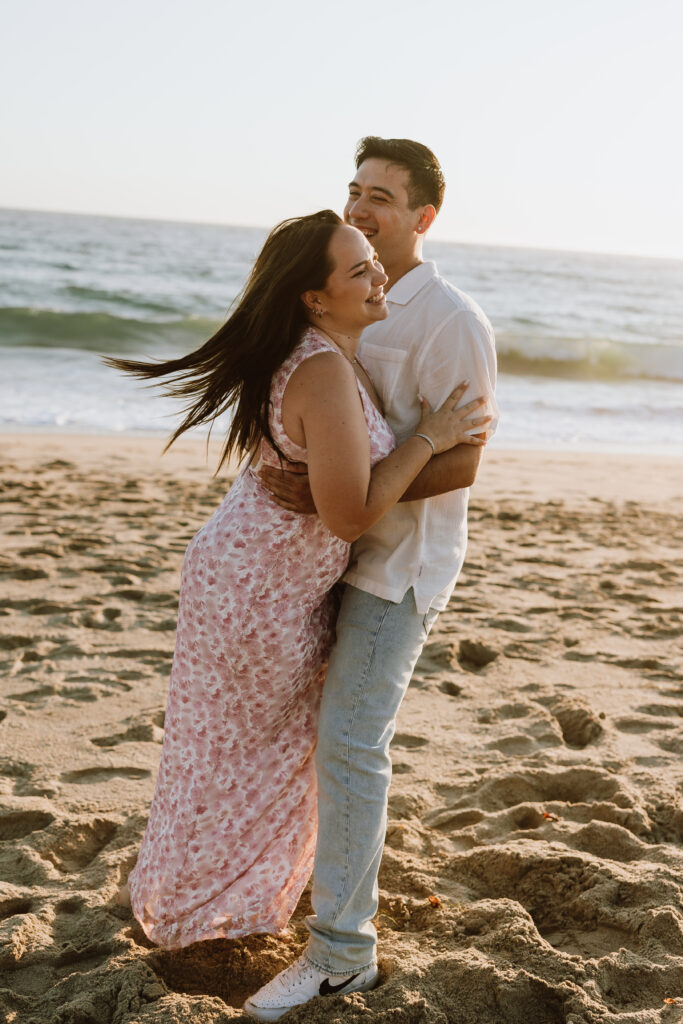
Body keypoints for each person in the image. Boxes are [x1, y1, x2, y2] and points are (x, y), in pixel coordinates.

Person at [107, 210, 490, 954]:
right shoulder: (319, 369)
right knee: (247, 759)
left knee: (224, 753)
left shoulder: (326, 354)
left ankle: (186, 896)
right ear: (315, 297)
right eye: (357, 269)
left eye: (371, 262)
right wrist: (429, 437)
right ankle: (199, 915)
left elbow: (331, 488)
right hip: (259, 597)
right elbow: (347, 515)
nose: (377, 273)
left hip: (250, 581)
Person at [247, 139, 498, 1020]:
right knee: (307, 738)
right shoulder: (338, 287)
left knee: (351, 743)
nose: (360, 208)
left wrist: (339, 496)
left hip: (399, 567)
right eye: (353, 190)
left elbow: (463, 461)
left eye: (381, 197)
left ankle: (342, 954)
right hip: (324, 559)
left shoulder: (450, 320)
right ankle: (276, 891)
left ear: (424, 217)